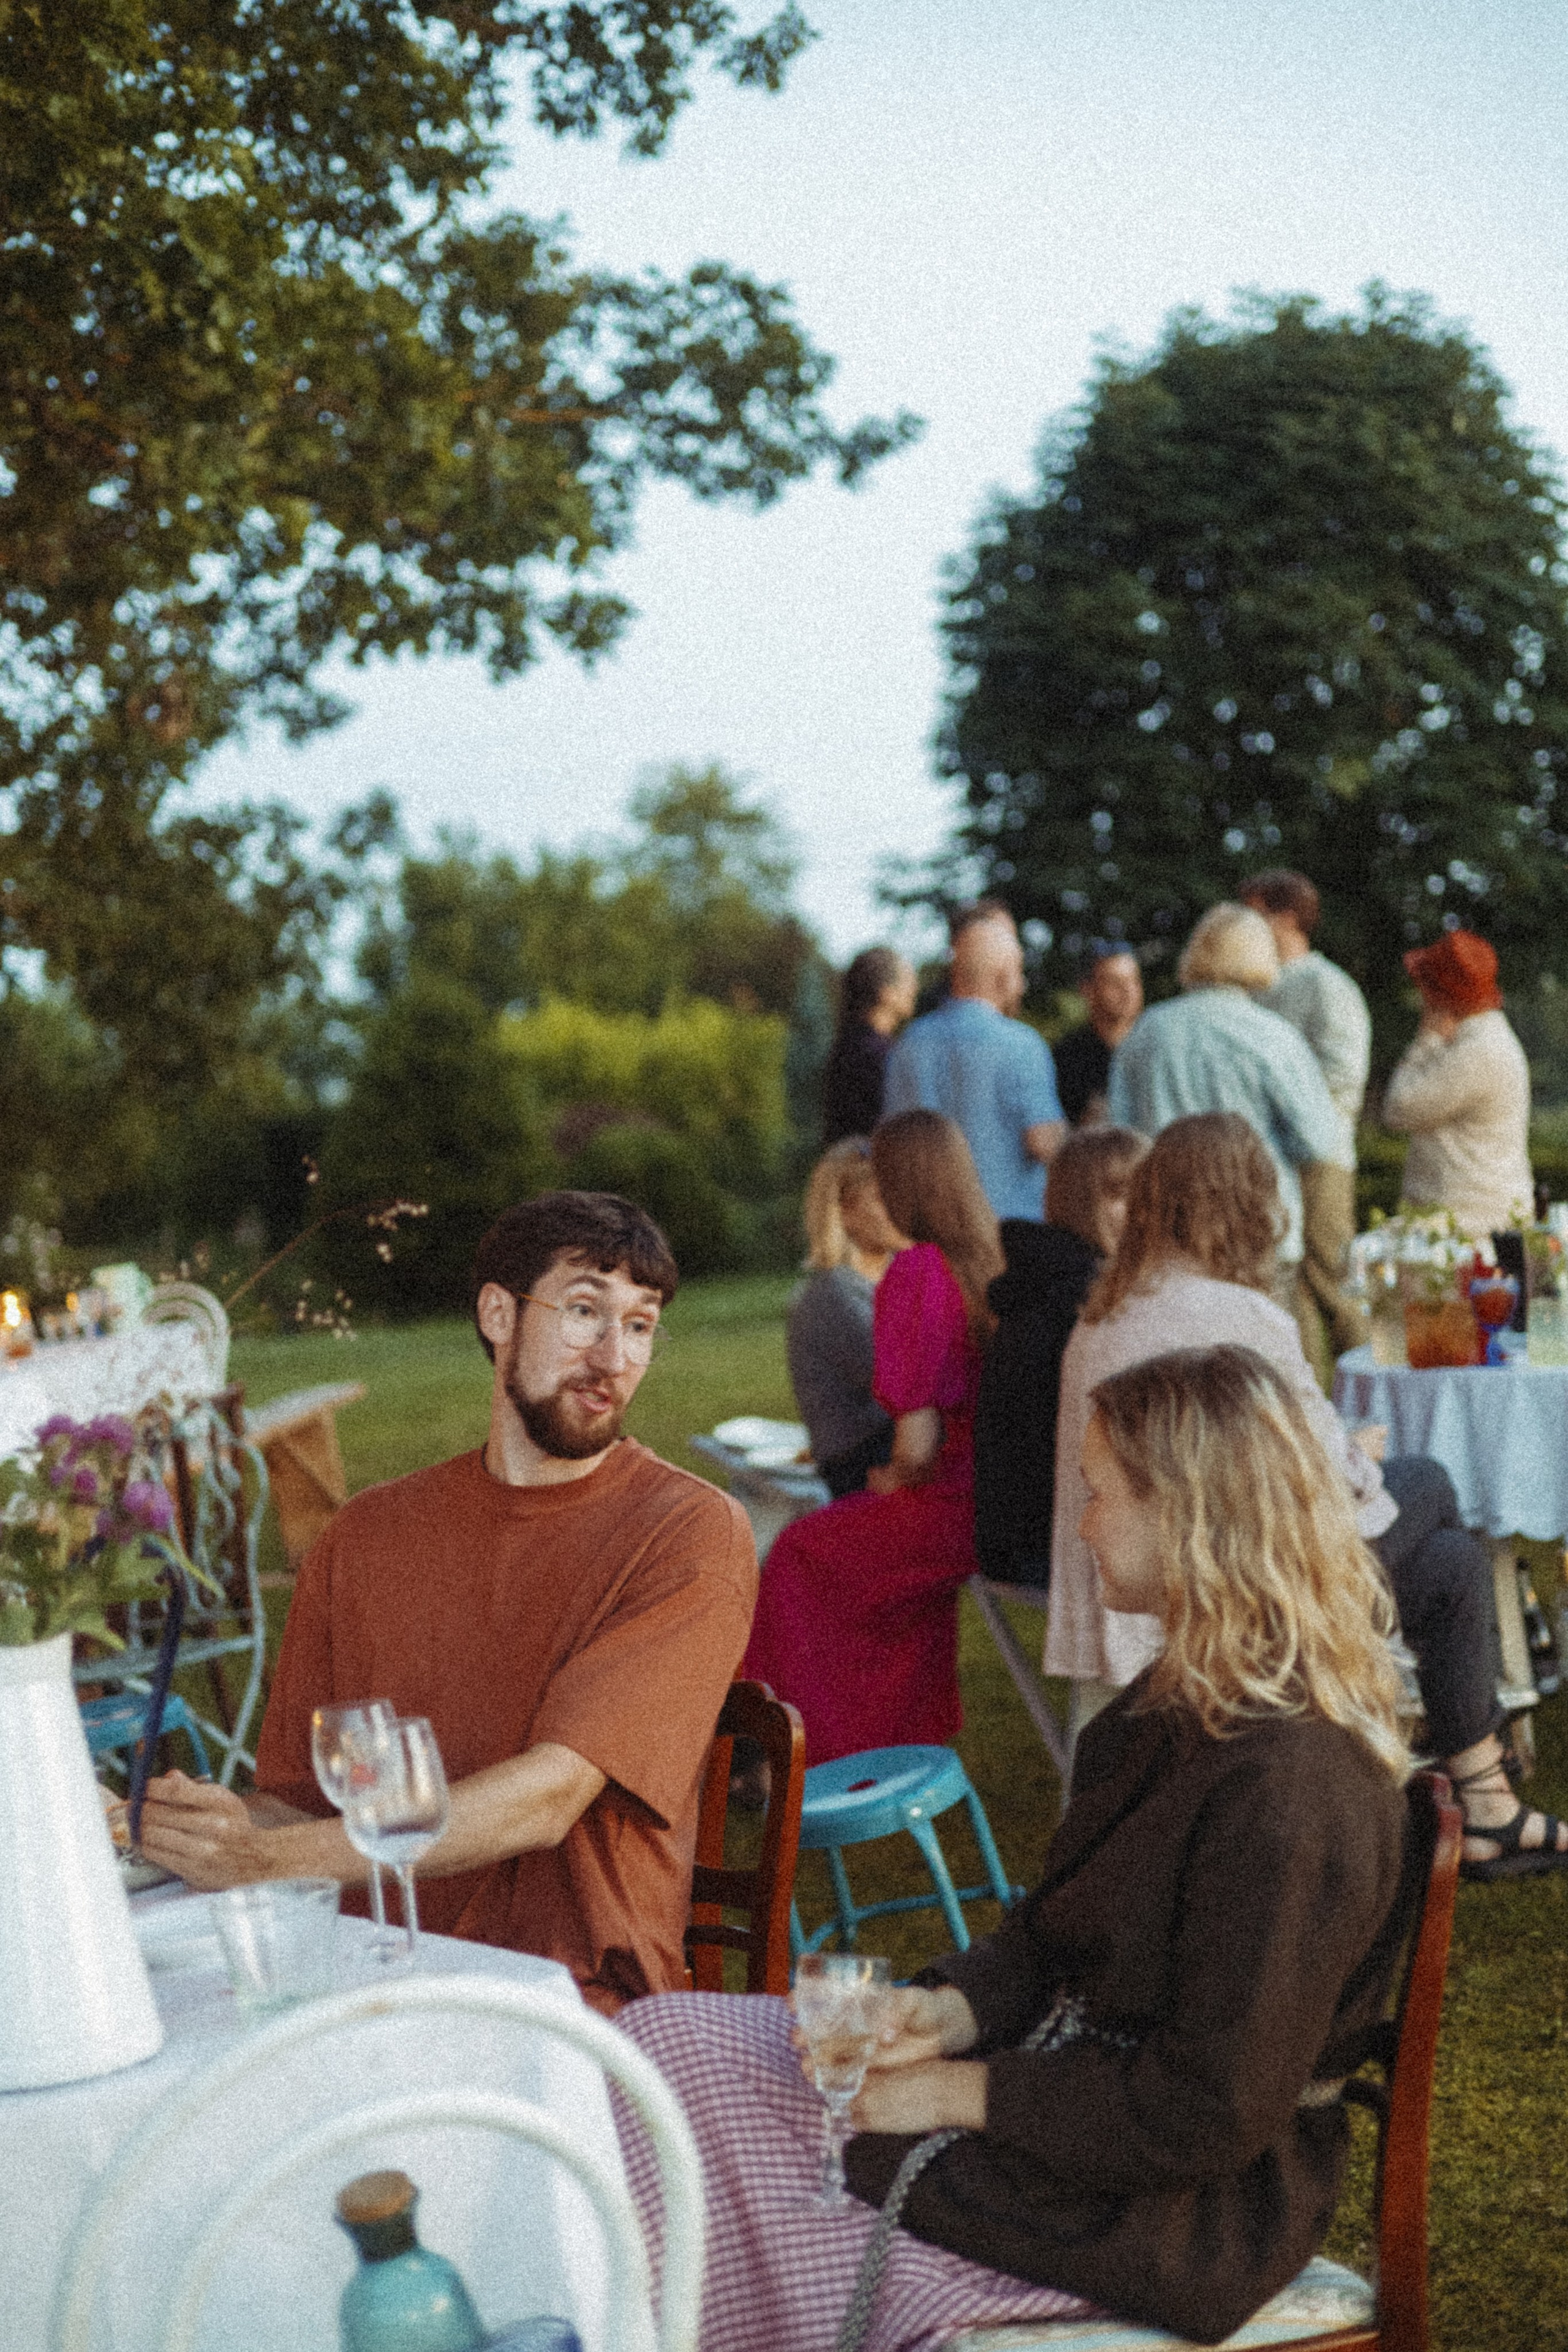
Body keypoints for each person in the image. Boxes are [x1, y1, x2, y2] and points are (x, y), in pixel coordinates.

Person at [614, 1345, 1414, 2349]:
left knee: (735, 2133)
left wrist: (953, 2091)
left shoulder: (1292, 1791)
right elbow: (1049, 1938)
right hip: (1069, 2106)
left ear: (1190, 1514)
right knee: (663, 2044)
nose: (1078, 1524)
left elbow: (1208, 2109)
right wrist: (942, 2014)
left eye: (1099, 1492)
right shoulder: (1176, 1713)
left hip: (1166, 2209)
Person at [137, 1191, 759, 2014]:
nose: (615, 1357)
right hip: (357, 1977)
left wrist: (260, 1864)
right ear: (499, 1315)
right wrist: (199, 1827)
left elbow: (548, 1798)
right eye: (584, 1312)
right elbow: (296, 1801)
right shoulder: (364, 1535)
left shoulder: (687, 1533)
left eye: (640, 1325)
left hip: (565, 2002)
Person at [1047, 1114, 1568, 1880]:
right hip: (1223, 1590)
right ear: (1248, 1204)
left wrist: (1340, 1463)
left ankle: (1485, 1807)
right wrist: (1355, 1456)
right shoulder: (1242, 1317)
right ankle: (1483, 1801)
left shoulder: (1104, 1313)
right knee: (1426, 1485)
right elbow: (1333, 1490)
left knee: (1447, 1561)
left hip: (1128, 1582)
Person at [742, 1110, 1003, 1763]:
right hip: (1000, 1493)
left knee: (801, 1552)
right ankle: (892, 1737)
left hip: (949, 1501)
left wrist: (897, 1477)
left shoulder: (916, 1275)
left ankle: (786, 1750)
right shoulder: (989, 1261)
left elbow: (913, 1446)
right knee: (881, 1577)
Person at [1107, 902, 1343, 1354]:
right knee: (1269, 1381)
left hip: (1169, 1240)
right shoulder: (1271, 1035)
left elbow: (1123, 1140)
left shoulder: (1147, 1032)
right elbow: (1319, 1139)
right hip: (1257, 1236)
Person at [972, 1125, 1147, 1588]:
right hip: (1047, 1543)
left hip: (1027, 1533)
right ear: (1081, 1202)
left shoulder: (1050, 1280)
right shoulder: (1081, 1301)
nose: (1140, 1212)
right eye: (1120, 1195)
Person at [1243, 869, 1371, 1360]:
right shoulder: (1259, 987)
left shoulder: (1325, 985)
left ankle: (1374, 1393)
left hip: (1320, 1158)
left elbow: (1343, 1077)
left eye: (1255, 915)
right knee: (1291, 1292)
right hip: (1272, 1160)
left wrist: (1297, 1127)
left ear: (1288, 917)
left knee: (1333, 1284)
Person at [883, 901, 1066, 1219]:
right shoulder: (1022, 1045)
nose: (1022, 985)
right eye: (1018, 972)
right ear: (1001, 977)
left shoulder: (910, 1042)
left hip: (925, 1234)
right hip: (1006, 1235)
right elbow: (1044, 1142)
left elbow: (890, 1143)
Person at [1383, 929, 1532, 1238]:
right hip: (1475, 1217)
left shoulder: (1476, 1051)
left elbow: (1398, 1109)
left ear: (1439, 994)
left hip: (1466, 1225)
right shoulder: (1484, 1040)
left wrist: (1426, 1039)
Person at [786, 1138, 907, 1498]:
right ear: (844, 1212)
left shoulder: (897, 1276)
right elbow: (902, 1383)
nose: (901, 1209)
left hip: (897, 1446)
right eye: (883, 1199)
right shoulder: (832, 1295)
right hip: (862, 1467)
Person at [821, 946, 919, 1147]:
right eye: (908, 981)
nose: (915, 987)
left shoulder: (847, 1044)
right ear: (886, 993)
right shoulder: (879, 1055)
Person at [1052, 948, 1144, 1126]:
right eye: (1115, 983)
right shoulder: (1068, 1057)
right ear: (1088, 990)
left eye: (1134, 981)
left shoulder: (1155, 1047)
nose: (1128, 991)